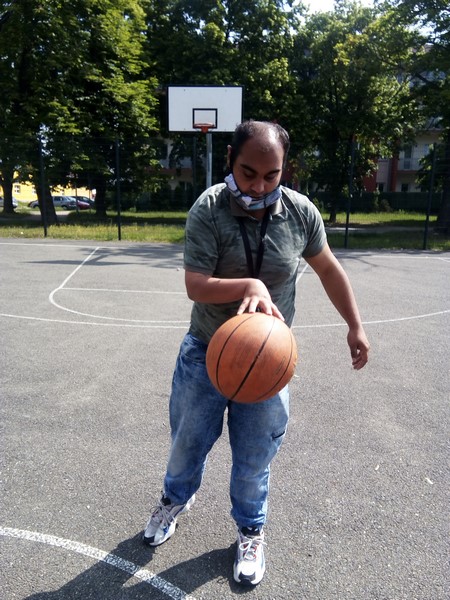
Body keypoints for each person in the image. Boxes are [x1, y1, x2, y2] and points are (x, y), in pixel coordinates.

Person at [142, 120, 370, 586]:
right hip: (208, 351)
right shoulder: (209, 208)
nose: (259, 186)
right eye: (248, 173)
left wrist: (355, 325)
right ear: (230, 159)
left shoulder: (300, 213)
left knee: (254, 457)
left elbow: (329, 269)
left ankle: (250, 530)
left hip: (268, 363)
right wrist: (249, 284)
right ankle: (173, 500)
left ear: (285, 170)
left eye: (272, 175)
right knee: (187, 444)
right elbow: (195, 285)